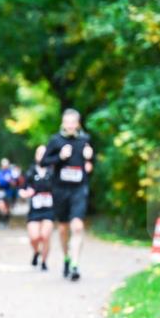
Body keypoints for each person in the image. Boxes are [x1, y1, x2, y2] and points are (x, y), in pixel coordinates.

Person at [41, 108, 94, 281]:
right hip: (60, 190)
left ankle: (75, 265)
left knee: (77, 226)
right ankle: (66, 257)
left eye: (73, 122)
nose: (70, 125)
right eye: (67, 122)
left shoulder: (84, 140)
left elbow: (91, 166)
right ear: (63, 123)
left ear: (77, 123)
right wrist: (60, 157)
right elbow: (44, 161)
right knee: (63, 228)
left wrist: (90, 159)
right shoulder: (56, 140)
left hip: (79, 189)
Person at [20, 146, 54, 271]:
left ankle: (44, 262)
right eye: (39, 153)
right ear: (35, 156)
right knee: (34, 237)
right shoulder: (30, 172)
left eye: (44, 153)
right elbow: (22, 189)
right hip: (34, 210)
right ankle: (36, 252)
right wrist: (25, 193)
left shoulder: (53, 172)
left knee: (45, 236)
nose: (42, 156)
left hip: (49, 209)